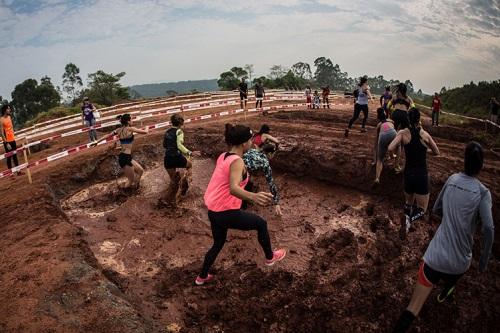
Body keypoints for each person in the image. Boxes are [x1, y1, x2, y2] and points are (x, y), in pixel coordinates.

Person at [393, 141, 494, 333]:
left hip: (435, 259)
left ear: (464, 161)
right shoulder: (483, 193)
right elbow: (489, 228)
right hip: (460, 263)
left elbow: (437, 208)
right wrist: (484, 260)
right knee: (456, 272)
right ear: (481, 166)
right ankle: (448, 287)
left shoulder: (452, 179)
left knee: (412, 308)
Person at [195, 124, 287, 285]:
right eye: (251, 140)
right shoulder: (237, 161)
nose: (253, 143)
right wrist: (254, 196)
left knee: (217, 244)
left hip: (213, 210)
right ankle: (270, 258)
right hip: (226, 211)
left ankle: (201, 277)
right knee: (261, 224)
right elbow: (233, 188)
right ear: (244, 143)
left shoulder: (224, 155)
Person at [388, 108, 440, 235]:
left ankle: (406, 224)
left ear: (408, 119)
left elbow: (390, 147)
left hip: (408, 174)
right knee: (422, 209)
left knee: (408, 203)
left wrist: (393, 156)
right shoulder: (425, 135)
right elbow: (437, 152)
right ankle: (409, 219)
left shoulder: (402, 133)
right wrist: (424, 150)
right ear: (419, 119)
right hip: (421, 175)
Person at [93, 114, 148, 188]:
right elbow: (145, 132)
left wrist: (97, 141)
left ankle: (136, 186)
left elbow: (107, 135)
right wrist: (147, 127)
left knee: (140, 171)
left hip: (126, 156)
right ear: (128, 121)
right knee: (130, 180)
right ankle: (124, 192)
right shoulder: (131, 129)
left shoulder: (118, 130)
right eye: (131, 119)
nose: (132, 120)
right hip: (125, 158)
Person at [163, 114, 197, 201]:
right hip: (176, 156)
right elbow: (179, 145)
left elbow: (164, 145)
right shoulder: (179, 131)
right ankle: (187, 181)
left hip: (167, 159)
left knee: (173, 181)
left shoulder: (167, 132)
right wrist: (189, 152)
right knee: (189, 165)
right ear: (181, 123)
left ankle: (169, 199)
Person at [243, 143, 282, 216]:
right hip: (241, 175)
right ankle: (243, 207)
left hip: (235, 168)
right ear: (270, 154)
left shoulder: (253, 150)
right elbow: (271, 183)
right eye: (273, 154)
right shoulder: (265, 162)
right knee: (247, 184)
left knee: (249, 182)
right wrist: (276, 203)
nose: (273, 156)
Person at [387, 83, 415, 172]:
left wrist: (392, 112)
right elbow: (413, 108)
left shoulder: (395, 97)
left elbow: (388, 106)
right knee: (403, 135)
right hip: (405, 116)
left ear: (399, 90)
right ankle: (399, 155)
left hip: (395, 114)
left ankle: (390, 153)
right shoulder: (408, 98)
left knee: (393, 133)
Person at [373, 107, 397, 185]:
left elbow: (376, 143)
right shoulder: (391, 121)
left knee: (380, 160)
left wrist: (375, 160)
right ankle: (393, 157)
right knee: (397, 145)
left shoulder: (379, 125)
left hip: (383, 135)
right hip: (393, 132)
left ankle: (377, 178)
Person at [0, 104, 23, 174]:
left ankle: (18, 171)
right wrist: (6, 143)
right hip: (7, 141)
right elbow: (1, 133)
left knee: (15, 155)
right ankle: (11, 173)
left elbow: (11, 127)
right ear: (5, 110)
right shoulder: (1, 120)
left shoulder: (9, 117)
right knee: (9, 156)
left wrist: (13, 133)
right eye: (8, 109)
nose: (10, 110)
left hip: (12, 139)